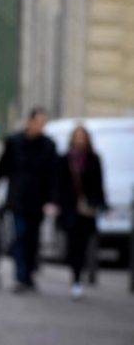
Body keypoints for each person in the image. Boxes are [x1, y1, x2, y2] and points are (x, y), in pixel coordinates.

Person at [0, 107, 58, 293]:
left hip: (38, 201)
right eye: (38, 122)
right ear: (30, 121)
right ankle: (21, 276)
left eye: (44, 123)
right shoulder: (15, 142)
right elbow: (2, 167)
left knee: (33, 240)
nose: (40, 126)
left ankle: (28, 276)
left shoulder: (49, 146)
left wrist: (52, 200)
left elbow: (53, 176)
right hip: (17, 198)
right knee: (20, 236)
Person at [54, 126, 107, 300]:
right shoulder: (65, 159)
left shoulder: (93, 159)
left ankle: (78, 278)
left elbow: (99, 184)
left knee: (84, 245)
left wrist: (101, 205)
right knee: (72, 245)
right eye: (77, 136)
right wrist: (56, 203)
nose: (80, 140)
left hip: (87, 209)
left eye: (83, 137)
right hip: (70, 209)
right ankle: (75, 277)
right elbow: (58, 184)